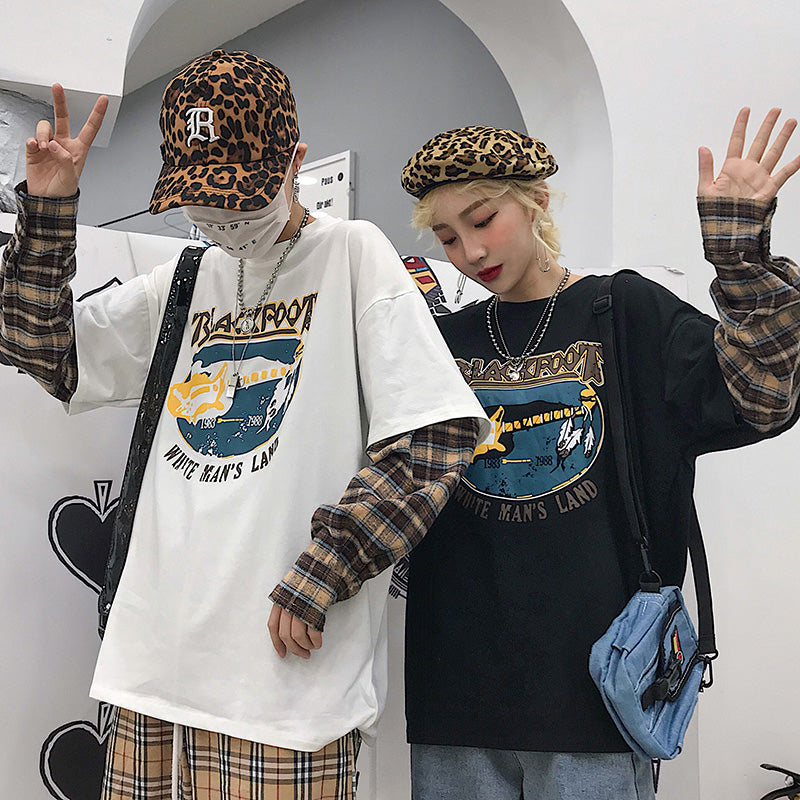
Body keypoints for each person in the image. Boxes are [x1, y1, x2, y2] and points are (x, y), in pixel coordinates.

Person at [0, 50, 488, 799]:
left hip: (282, 684)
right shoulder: (185, 278)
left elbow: (435, 434)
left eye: (237, 196)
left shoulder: (352, 255)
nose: (222, 221)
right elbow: (41, 350)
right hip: (149, 671)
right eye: (201, 201)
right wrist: (48, 215)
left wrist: (328, 564)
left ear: (293, 161)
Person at [398, 113, 800, 800]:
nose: (469, 250)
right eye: (447, 236)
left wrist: (740, 257)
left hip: (598, 688)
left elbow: (765, 395)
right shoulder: (441, 341)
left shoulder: (624, 309)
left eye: (483, 218)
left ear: (536, 201)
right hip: (456, 688)